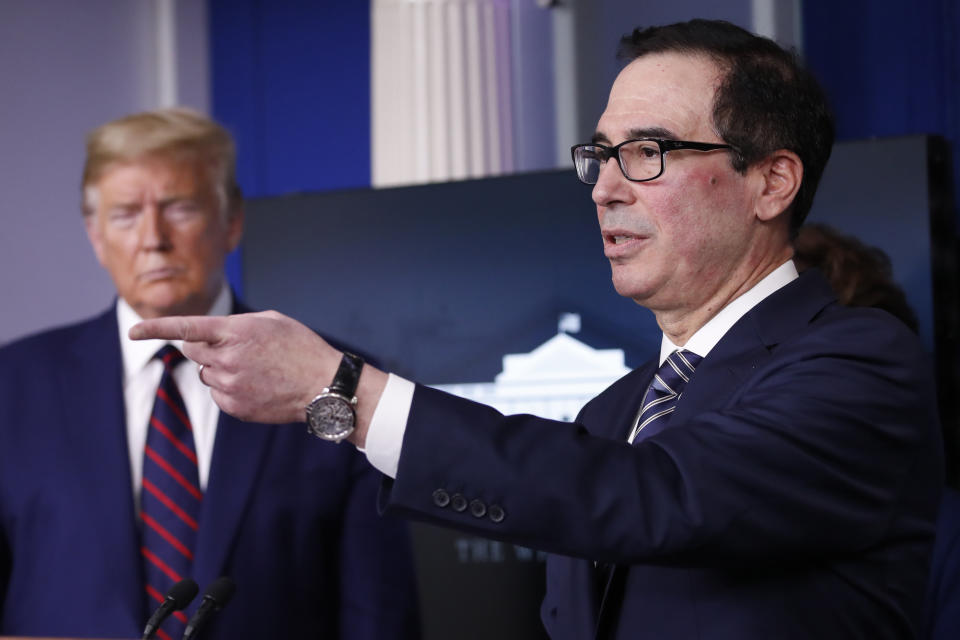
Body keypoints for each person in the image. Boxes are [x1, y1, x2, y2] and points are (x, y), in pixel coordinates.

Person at [131, 20, 943, 640]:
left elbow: (658, 499)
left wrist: (340, 390)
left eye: (649, 152)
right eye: (600, 154)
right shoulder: (613, 412)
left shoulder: (861, 364)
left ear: (771, 181)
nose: (604, 188)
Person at [0, 108, 420, 639]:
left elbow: (379, 617)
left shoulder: (335, 381)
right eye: (126, 214)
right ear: (96, 235)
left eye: (179, 208)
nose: (154, 238)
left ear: (232, 220)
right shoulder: (13, 386)